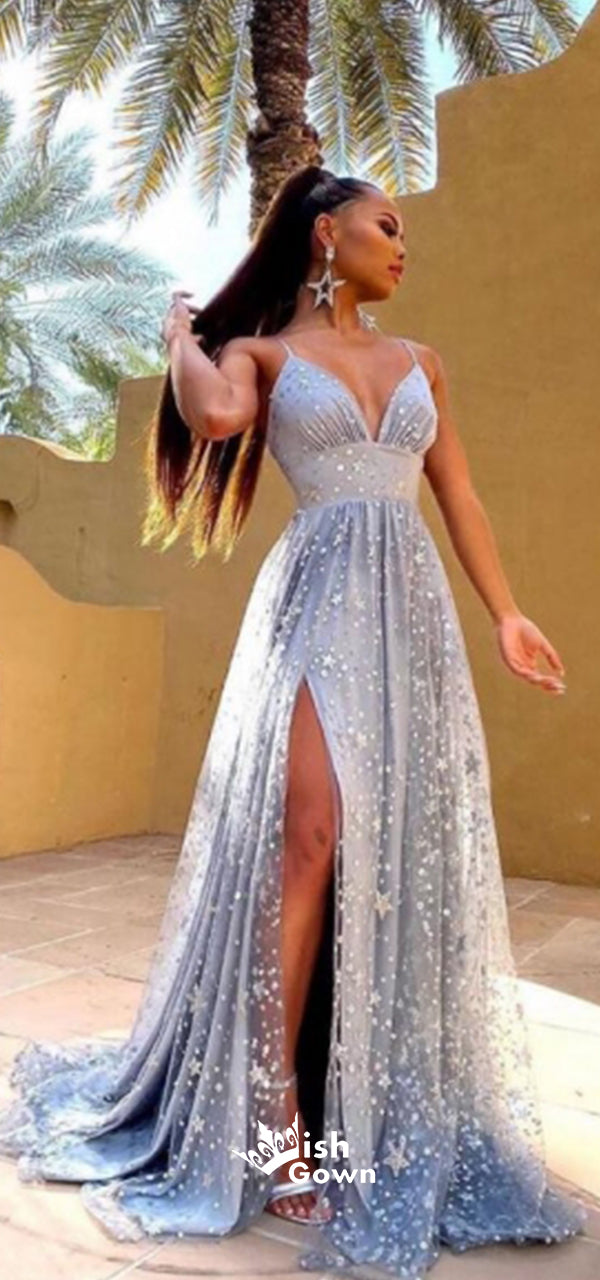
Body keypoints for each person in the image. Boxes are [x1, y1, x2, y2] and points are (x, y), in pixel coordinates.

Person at [0, 165, 588, 1279]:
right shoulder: (261, 356)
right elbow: (215, 415)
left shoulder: (423, 362)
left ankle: (373, 1076)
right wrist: (180, 335)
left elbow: (457, 492)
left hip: (408, 610)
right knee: (309, 834)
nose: (402, 244)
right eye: (387, 224)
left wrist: (507, 613)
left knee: (392, 851)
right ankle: (275, 1119)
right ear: (328, 233)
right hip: (316, 599)